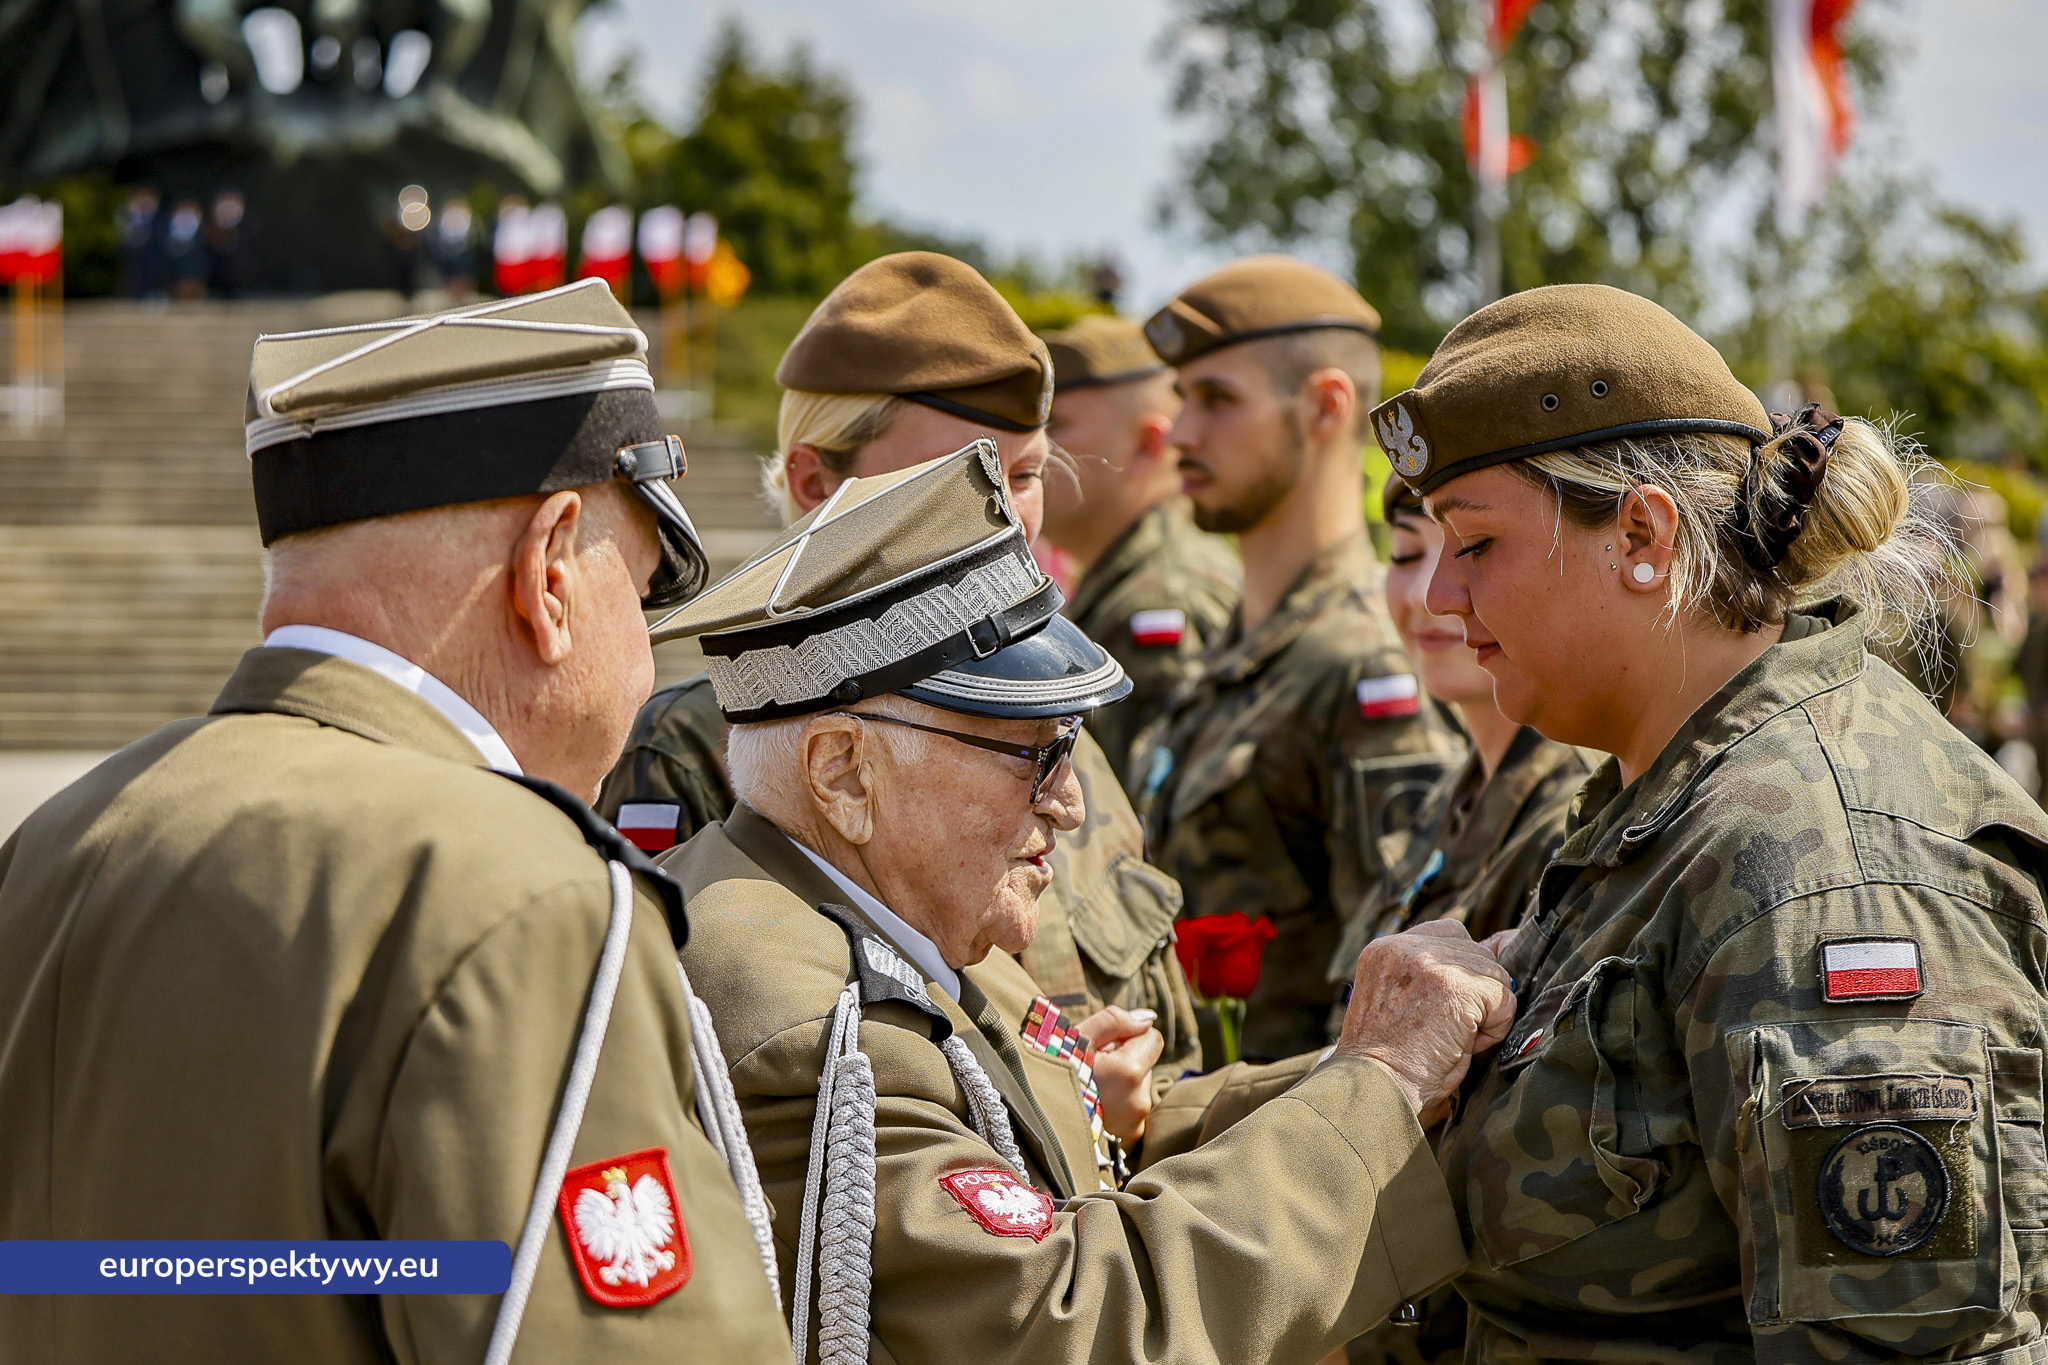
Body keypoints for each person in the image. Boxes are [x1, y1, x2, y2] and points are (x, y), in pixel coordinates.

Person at [0, 280, 791, 1364]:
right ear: (548, 572)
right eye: (645, 590)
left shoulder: (55, 842)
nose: (652, 657)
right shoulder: (525, 892)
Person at [656, 440, 1517, 1364]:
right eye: (1031, 753)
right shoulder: (810, 1023)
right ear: (843, 772)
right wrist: (1380, 1084)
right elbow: (1075, 1323)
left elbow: (1087, 1140)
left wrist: (1400, 1066)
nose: (1067, 802)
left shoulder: (860, 917)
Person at [1376, 282, 2048, 1362]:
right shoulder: (1676, 793)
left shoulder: (1823, 872)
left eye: (1475, 543)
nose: (1435, 597)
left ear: (1639, 533)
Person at [601, 252, 1202, 1088]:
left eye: (1025, 476)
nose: (1008, 521)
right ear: (814, 480)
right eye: (964, 481)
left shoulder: (1060, 735)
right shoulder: (708, 747)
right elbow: (683, 1071)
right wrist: (1066, 1101)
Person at [1134, 255, 1463, 1061]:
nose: (1180, 433)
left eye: (1217, 399)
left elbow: (1393, 988)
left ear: (1325, 406)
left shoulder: (1371, 661)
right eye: (1181, 401)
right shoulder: (1243, 642)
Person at [1333, 477, 1594, 1365]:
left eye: (1470, 550)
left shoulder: (1568, 826)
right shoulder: (1454, 802)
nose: (1428, 595)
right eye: (1407, 554)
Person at [1039, 313, 1242, 787]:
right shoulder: (1129, 576)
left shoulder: (1161, 600)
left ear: (1149, 445)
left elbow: (1147, 818)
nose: (1032, 450)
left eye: (1057, 427)